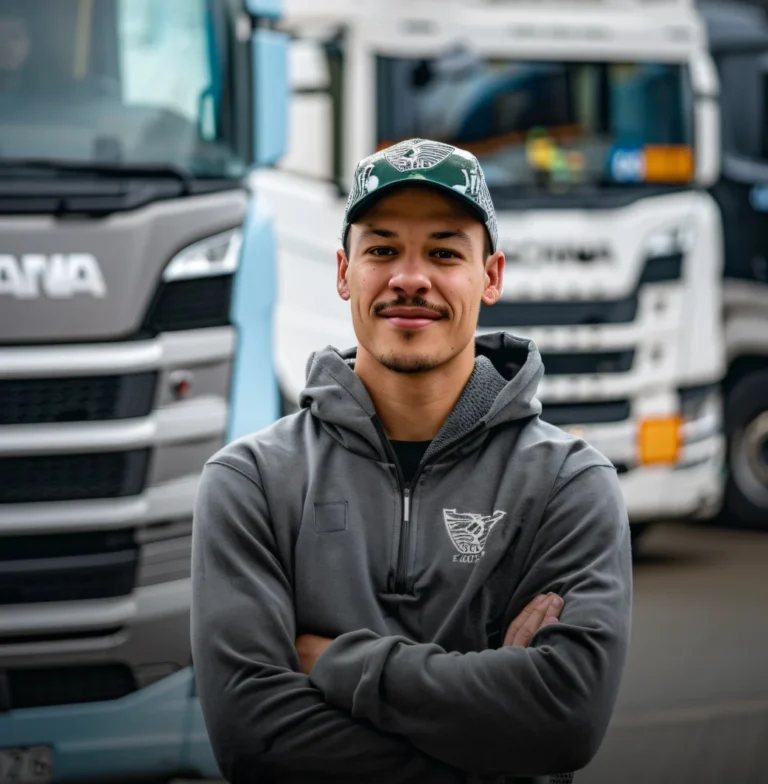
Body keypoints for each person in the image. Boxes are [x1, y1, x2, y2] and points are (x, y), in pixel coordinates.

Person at [191, 138, 633, 784]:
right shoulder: (251, 484)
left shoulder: (569, 487)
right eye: (382, 249)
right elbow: (253, 741)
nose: (409, 278)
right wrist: (497, 748)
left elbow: (564, 715)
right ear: (344, 271)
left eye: (445, 252)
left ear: (493, 276)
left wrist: (338, 664)